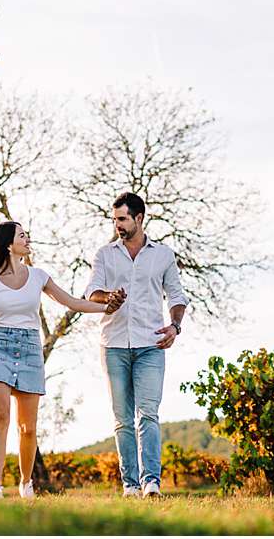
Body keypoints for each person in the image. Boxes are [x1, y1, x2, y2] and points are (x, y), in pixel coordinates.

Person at [0, 221, 118, 500]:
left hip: (31, 348)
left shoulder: (38, 276)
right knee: (0, 418)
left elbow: (73, 302)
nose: (28, 238)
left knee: (28, 427)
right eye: (23, 235)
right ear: (9, 244)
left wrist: (107, 307)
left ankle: (26, 482)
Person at [86, 192, 189, 498]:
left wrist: (175, 326)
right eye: (114, 219)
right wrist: (109, 298)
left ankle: (151, 483)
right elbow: (93, 292)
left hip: (150, 344)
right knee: (122, 419)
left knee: (148, 414)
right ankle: (130, 485)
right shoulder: (105, 254)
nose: (117, 224)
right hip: (114, 344)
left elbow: (177, 296)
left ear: (139, 218)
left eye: (122, 219)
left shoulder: (163, 255)